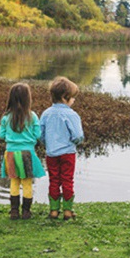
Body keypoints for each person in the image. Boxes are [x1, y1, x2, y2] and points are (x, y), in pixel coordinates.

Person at [0, 82, 45, 220]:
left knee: (14, 182)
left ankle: (14, 211)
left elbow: (1, 135)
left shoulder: (6, 117)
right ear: (28, 99)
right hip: (27, 154)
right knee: (27, 183)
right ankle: (26, 212)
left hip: (11, 153)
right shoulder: (33, 116)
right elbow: (37, 135)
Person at [40, 76, 84, 220]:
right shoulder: (71, 115)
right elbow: (78, 135)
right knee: (67, 180)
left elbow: (40, 134)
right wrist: (74, 142)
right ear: (65, 97)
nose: (73, 100)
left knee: (54, 180)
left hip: (51, 153)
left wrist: (48, 144)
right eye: (72, 98)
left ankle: (53, 211)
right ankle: (67, 211)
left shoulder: (46, 113)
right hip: (67, 153)